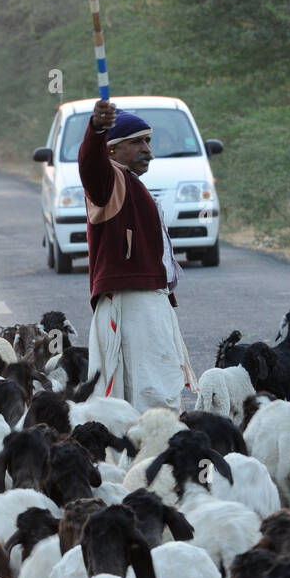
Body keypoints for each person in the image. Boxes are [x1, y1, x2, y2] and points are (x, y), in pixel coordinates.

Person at [78, 100, 196, 412]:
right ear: (112, 150)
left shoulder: (132, 182)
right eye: (137, 142)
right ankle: (143, 457)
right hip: (129, 303)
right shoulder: (108, 181)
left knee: (158, 388)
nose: (147, 150)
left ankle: (159, 457)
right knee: (146, 395)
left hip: (151, 302)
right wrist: (96, 130)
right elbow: (90, 164)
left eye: (148, 141)